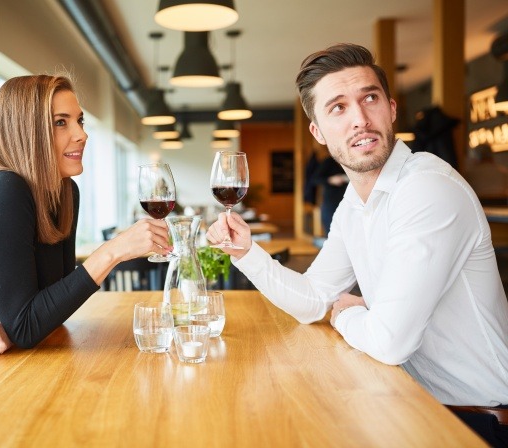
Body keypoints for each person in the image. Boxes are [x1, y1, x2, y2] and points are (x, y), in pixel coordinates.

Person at [206, 43, 508, 446]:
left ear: (392, 108)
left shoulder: (426, 187)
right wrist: (245, 253)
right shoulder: (355, 203)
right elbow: (313, 298)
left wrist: (341, 314)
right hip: (415, 405)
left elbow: (389, 341)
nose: (360, 120)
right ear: (318, 131)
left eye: (370, 98)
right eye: (338, 108)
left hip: (479, 425)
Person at [0, 74, 171, 423]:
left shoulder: (65, 193)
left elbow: (46, 312)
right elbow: (28, 324)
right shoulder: (2, 190)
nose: (81, 134)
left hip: (5, 367)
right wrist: (111, 252)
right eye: (60, 123)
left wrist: (13, 327)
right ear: (26, 131)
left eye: (79, 121)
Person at [309, 148, 349, 235]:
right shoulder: (328, 162)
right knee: (332, 231)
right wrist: (330, 180)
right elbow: (314, 179)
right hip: (331, 201)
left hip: (348, 200)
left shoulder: (350, 161)